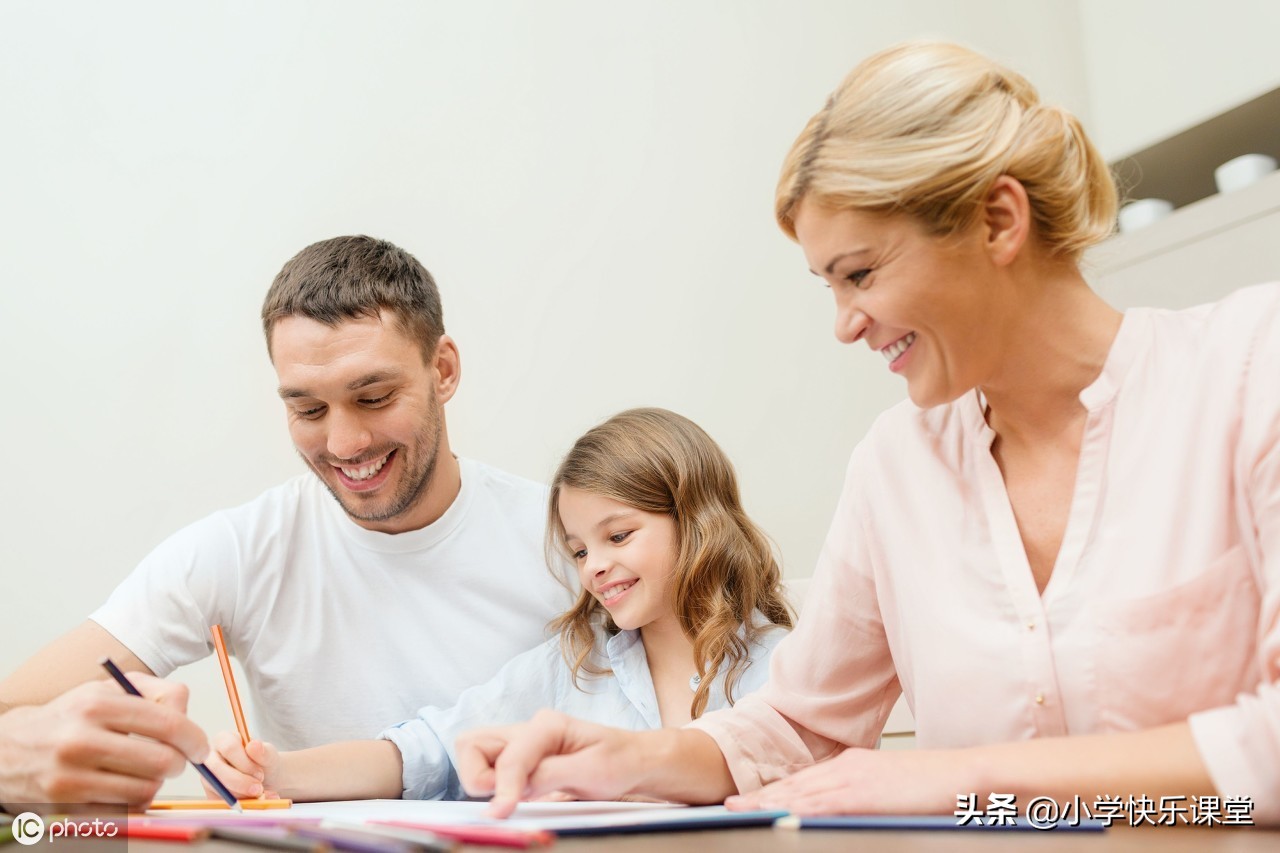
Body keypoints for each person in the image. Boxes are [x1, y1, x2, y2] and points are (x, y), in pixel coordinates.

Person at [452, 41, 1280, 824]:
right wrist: (628, 758)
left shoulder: (1250, 372)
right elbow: (797, 727)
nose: (846, 324)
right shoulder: (896, 464)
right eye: (828, 284)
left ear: (998, 220)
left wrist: (961, 776)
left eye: (860, 273)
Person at [0, 235, 570, 807]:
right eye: (308, 410)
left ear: (442, 370)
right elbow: (12, 715)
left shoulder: (574, 543)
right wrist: (29, 761)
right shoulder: (241, 550)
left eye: (373, 397)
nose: (344, 443)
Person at [205, 407, 793, 802]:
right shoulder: (578, 663)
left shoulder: (786, 666)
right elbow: (430, 750)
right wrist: (276, 772)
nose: (595, 566)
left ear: (697, 521)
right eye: (579, 549)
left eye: (618, 536)